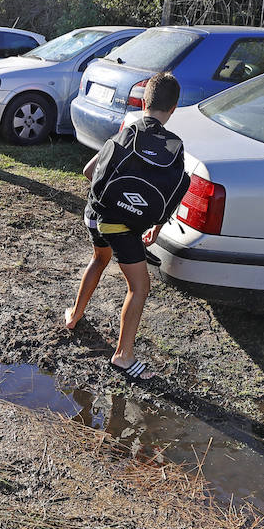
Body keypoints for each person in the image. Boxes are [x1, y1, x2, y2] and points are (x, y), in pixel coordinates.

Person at [63, 72, 184, 383]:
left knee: (99, 259)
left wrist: (114, 202)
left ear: (144, 101)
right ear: (174, 109)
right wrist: (144, 219)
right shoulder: (174, 147)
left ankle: (74, 316)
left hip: (96, 215)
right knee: (140, 287)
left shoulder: (126, 134)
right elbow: (174, 189)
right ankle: (123, 356)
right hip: (125, 227)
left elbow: (89, 171)